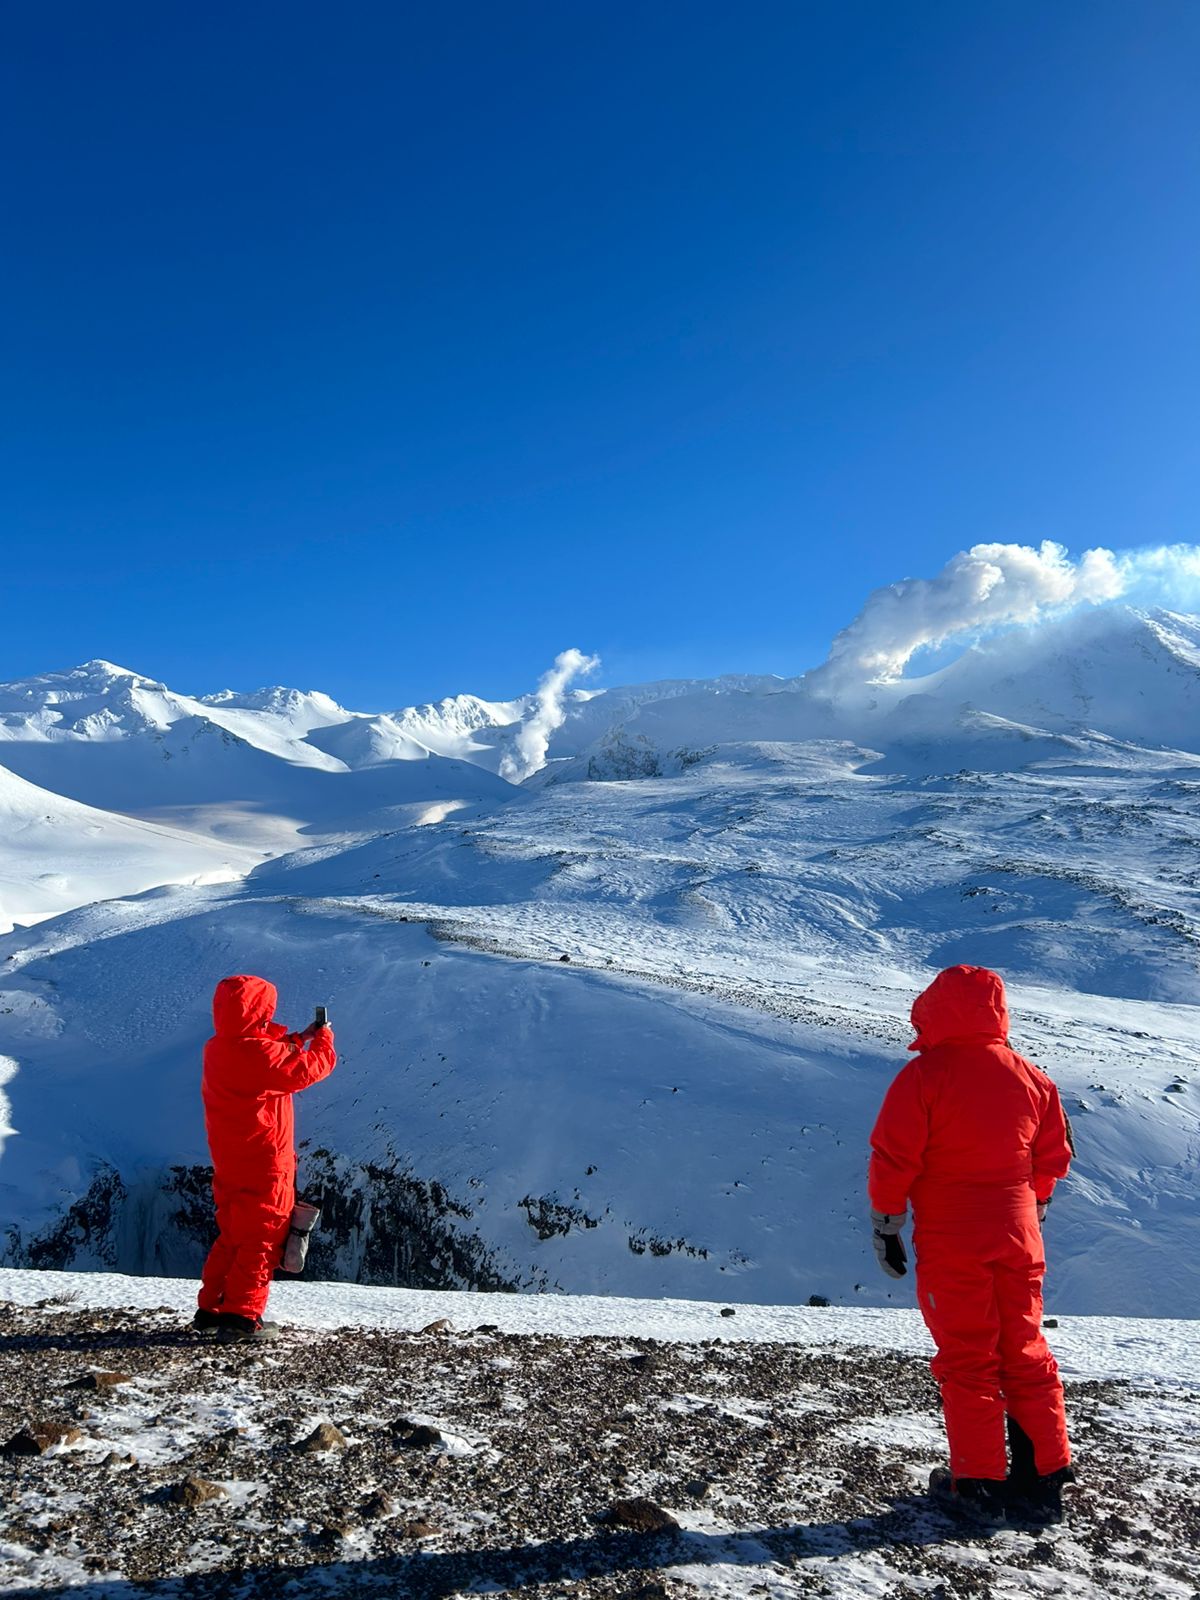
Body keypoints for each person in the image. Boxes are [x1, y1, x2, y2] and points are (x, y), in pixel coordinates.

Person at [868, 964, 1075, 1524]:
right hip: (1019, 1233)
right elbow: (1052, 1157)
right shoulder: (1032, 1078)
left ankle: (979, 1483)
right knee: (1025, 1349)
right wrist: (1034, 1207)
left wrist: (886, 1224)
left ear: (935, 1010)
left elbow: (893, 1157)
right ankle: (1043, 1479)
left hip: (954, 1236)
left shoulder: (923, 1077)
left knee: (969, 1357)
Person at [196, 974, 337, 1343]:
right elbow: (312, 1067)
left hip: (231, 1162)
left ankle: (212, 1307)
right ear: (260, 1011)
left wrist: (298, 1039)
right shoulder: (259, 1055)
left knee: (233, 1235)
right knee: (262, 1238)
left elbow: (263, 1054)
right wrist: (323, 1038)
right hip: (265, 1161)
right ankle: (241, 1318)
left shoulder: (219, 1048)